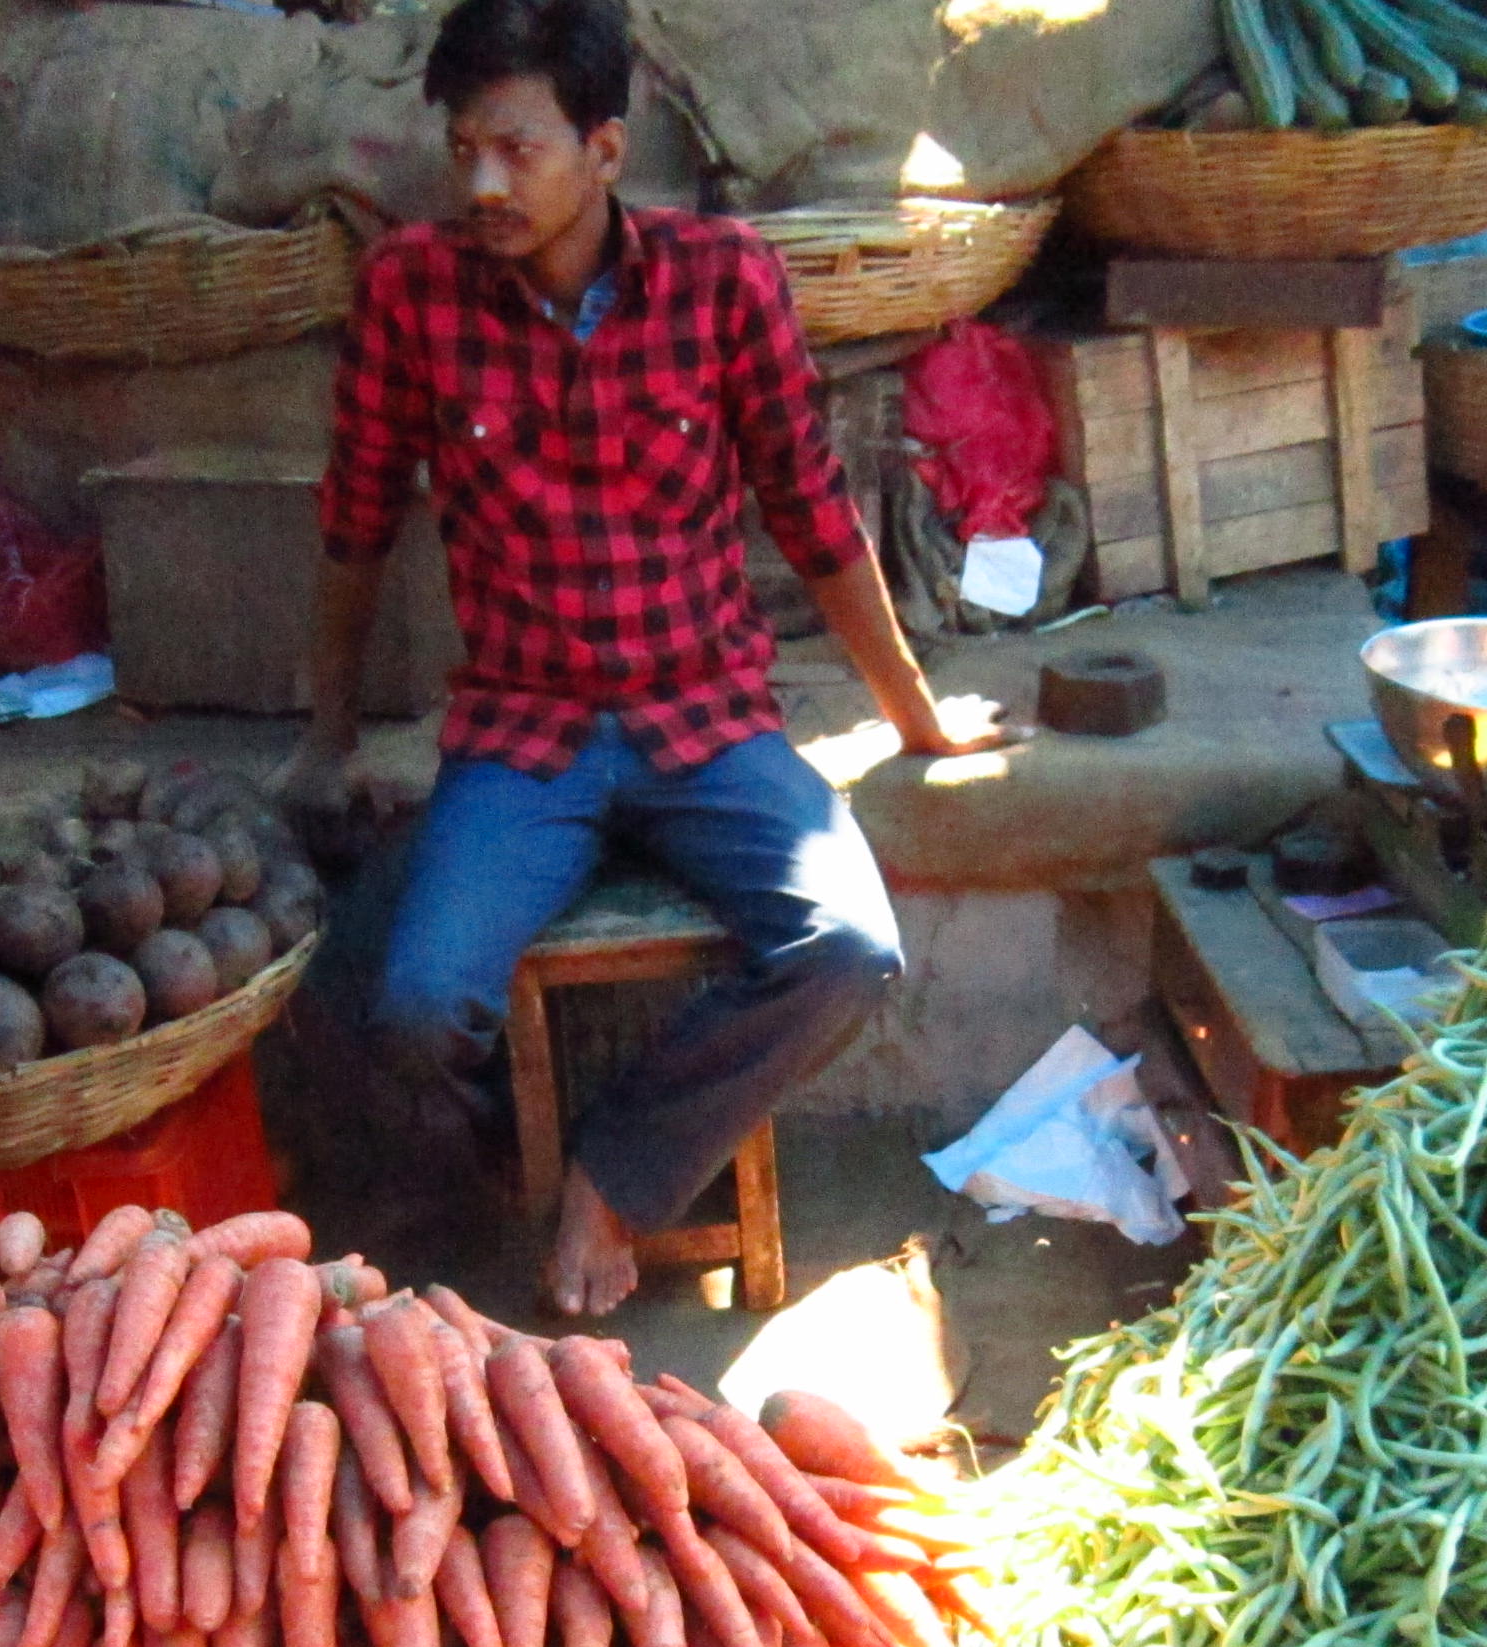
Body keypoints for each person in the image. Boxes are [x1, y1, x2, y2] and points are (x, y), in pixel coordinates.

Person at [276, 0, 1005, 1317]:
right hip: (522, 738)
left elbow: (817, 520)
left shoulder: (723, 282)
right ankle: (511, 1181)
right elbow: (354, 529)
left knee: (851, 946)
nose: (485, 183)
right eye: (464, 151)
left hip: (705, 721)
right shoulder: (411, 294)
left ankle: (615, 1178)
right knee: (416, 1009)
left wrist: (917, 719)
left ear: (603, 151)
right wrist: (328, 734)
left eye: (518, 148)